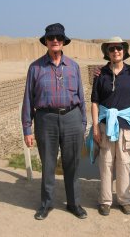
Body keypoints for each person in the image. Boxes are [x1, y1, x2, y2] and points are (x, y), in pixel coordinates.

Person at [21, 23, 87, 220]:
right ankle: (46, 204)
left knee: (72, 164)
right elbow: (28, 100)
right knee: (48, 164)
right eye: (51, 38)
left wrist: (83, 124)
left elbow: (82, 97)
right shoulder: (35, 68)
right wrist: (27, 128)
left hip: (72, 118)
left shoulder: (73, 67)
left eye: (58, 37)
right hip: (45, 119)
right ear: (46, 42)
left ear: (63, 41)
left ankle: (74, 203)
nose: (55, 40)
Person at [90, 37, 130, 216]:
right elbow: (94, 102)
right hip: (104, 126)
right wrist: (95, 127)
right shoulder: (100, 74)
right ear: (107, 53)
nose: (116, 52)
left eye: (119, 48)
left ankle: (125, 199)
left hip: (125, 126)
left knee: (124, 164)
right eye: (112, 49)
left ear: (124, 51)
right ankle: (105, 201)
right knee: (106, 164)